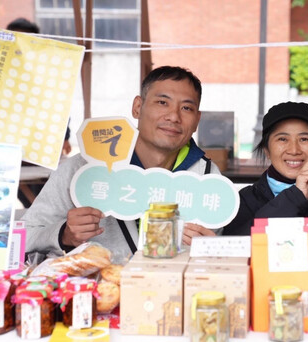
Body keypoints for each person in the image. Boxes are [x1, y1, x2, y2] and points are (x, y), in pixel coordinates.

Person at [23, 66, 220, 257]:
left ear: (197, 120)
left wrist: (209, 249)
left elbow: (219, 247)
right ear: (137, 107)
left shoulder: (208, 178)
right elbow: (23, 235)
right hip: (95, 287)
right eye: (162, 102)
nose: (173, 116)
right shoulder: (85, 167)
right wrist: (62, 235)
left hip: (171, 287)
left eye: (186, 108)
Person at [222, 102, 308, 236]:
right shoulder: (245, 200)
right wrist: (295, 196)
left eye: (304, 139)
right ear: (267, 151)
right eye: (282, 139)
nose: (293, 150)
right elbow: (237, 246)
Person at [7, 18, 72, 208]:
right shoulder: (0, 70)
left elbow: (59, 103)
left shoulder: (44, 72)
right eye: (16, 39)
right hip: (8, 146)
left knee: (41, 194)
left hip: (39, 148)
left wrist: (64, 135)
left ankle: (37, 218)